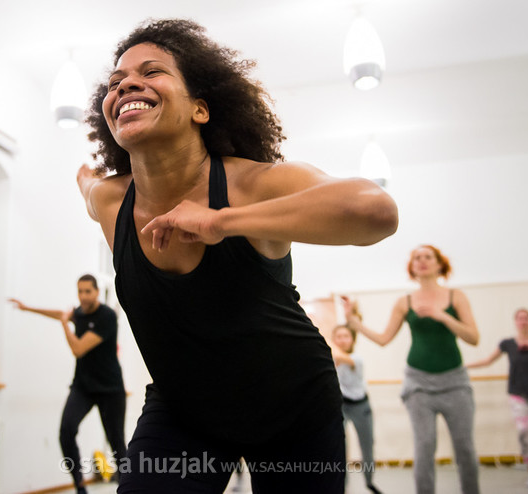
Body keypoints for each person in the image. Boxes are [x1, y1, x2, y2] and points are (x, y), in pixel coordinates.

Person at [75, 18, 398, 494]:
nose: (126, 84)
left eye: (152, 71)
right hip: (184, 411)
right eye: (115, 82)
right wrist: (82, 173)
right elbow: (84, 180)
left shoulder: (254, 184)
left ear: (200, 109)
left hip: (294, 407)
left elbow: (376, 211)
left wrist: (221, 221)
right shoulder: (108, 201)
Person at [342, 245, 480, 494]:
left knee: (465, 448)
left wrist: (443, 316)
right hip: (418, 385)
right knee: (424, 447)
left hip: (455, 383)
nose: (422, 261)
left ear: (439, 264)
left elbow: (473, 337)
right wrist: (354, 322)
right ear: (412, 267)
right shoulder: (404, 302)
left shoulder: (455, 296)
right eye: (417, 258)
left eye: (428, 256)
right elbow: (383, 339)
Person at [9, 274, 126, 494]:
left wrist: (65, 324)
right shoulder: (79, 313)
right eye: (80, 291)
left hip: (110, 389)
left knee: (116, 442)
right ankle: (80, 486)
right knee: (66, 431)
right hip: (83, 386)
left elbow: (78, 349)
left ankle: (129, 487)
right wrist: (28, 308)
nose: (83, 296)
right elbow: (59, 314)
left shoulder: (107, 317)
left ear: (97, 292)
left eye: (87, 291)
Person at [466, 308, 528, 488]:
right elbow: (488, 360)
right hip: (518, 394)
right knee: (523, 430)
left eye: (526, 318)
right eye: (520, 318)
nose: (523, 321)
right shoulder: (507, 343)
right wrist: (463, 366)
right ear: (515, 322)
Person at [329, 310, 383, 494]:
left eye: (346, 336)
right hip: (342, 406)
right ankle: (340, 486)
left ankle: (369, 481)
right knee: (339, 448)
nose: (342, 340)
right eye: (338, 337)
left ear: (352, 339)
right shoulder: (330, 360)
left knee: (367, 445)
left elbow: (342, 357)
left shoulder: (356, 359)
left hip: (361, 406)